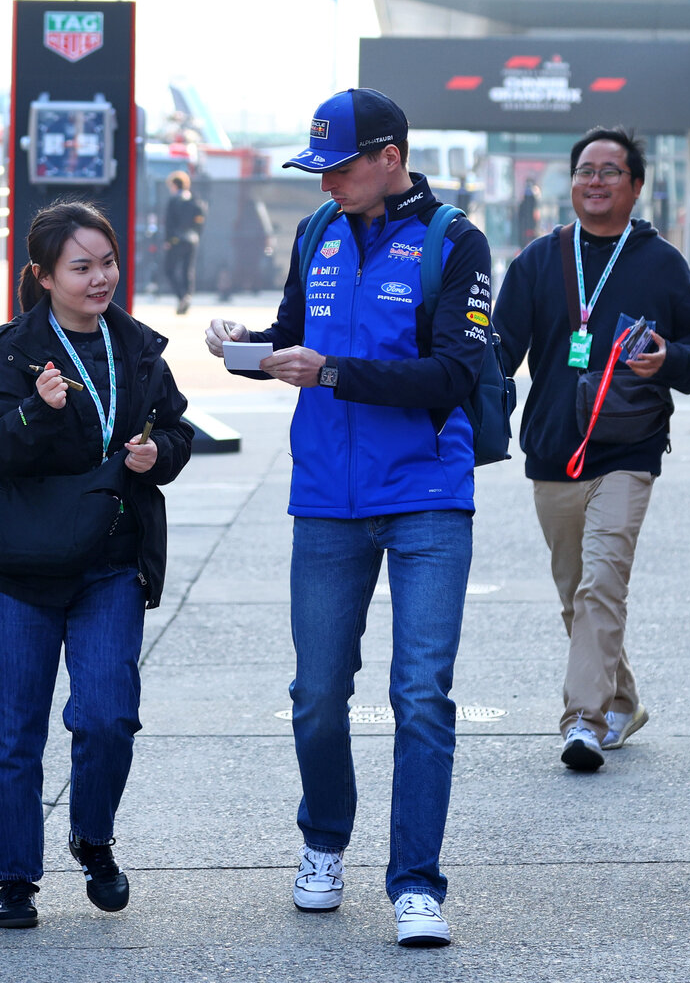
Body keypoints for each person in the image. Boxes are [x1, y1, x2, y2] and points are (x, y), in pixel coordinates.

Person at [204, 87, 487, 948]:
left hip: (428, 496)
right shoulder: (317, 233)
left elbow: (454, 374)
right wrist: (248, 350)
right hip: (326, 495)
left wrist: (332, 373)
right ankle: (324, 842)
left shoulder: (455, 240)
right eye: (318, 167)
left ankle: (415, 883)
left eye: (339, 166)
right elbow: (299, 335)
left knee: (421, 696)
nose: (326, 181)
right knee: (317, 695)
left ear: (389, 157)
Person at [0, 201, 192, 930]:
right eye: (81, 267)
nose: (99, 279)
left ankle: (93, 837)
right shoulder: (12, 351)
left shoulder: (139, 348)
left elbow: (175, 427)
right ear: (45, 276)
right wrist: (36, 411)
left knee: (108, 716)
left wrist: (161, 455)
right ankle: (17, 877)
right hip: (21, 568)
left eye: (107, 263)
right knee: (15, 735)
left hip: (109, 564)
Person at [491, 127, 690, 772]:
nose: (595, 181)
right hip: (553, 451)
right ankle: (622, 698)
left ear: (635, 185)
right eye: (585, 170)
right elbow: (500, 351)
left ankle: (582, 722)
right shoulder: (539, 259)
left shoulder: (660, 263)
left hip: (629, 448)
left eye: (610, 171)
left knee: (600, 584)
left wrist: (668, 357)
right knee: (577, 593)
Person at [161, 170, 205, 314]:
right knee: (188, 269)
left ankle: (181, 296)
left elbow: (169, 222)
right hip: (192, 240)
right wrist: (196, 234)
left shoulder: (174, 201)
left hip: (176, 240)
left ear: (174, 185)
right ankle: (187, 295)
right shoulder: (195, 201)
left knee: (169, 269)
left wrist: (168, 240)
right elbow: (200, 220)